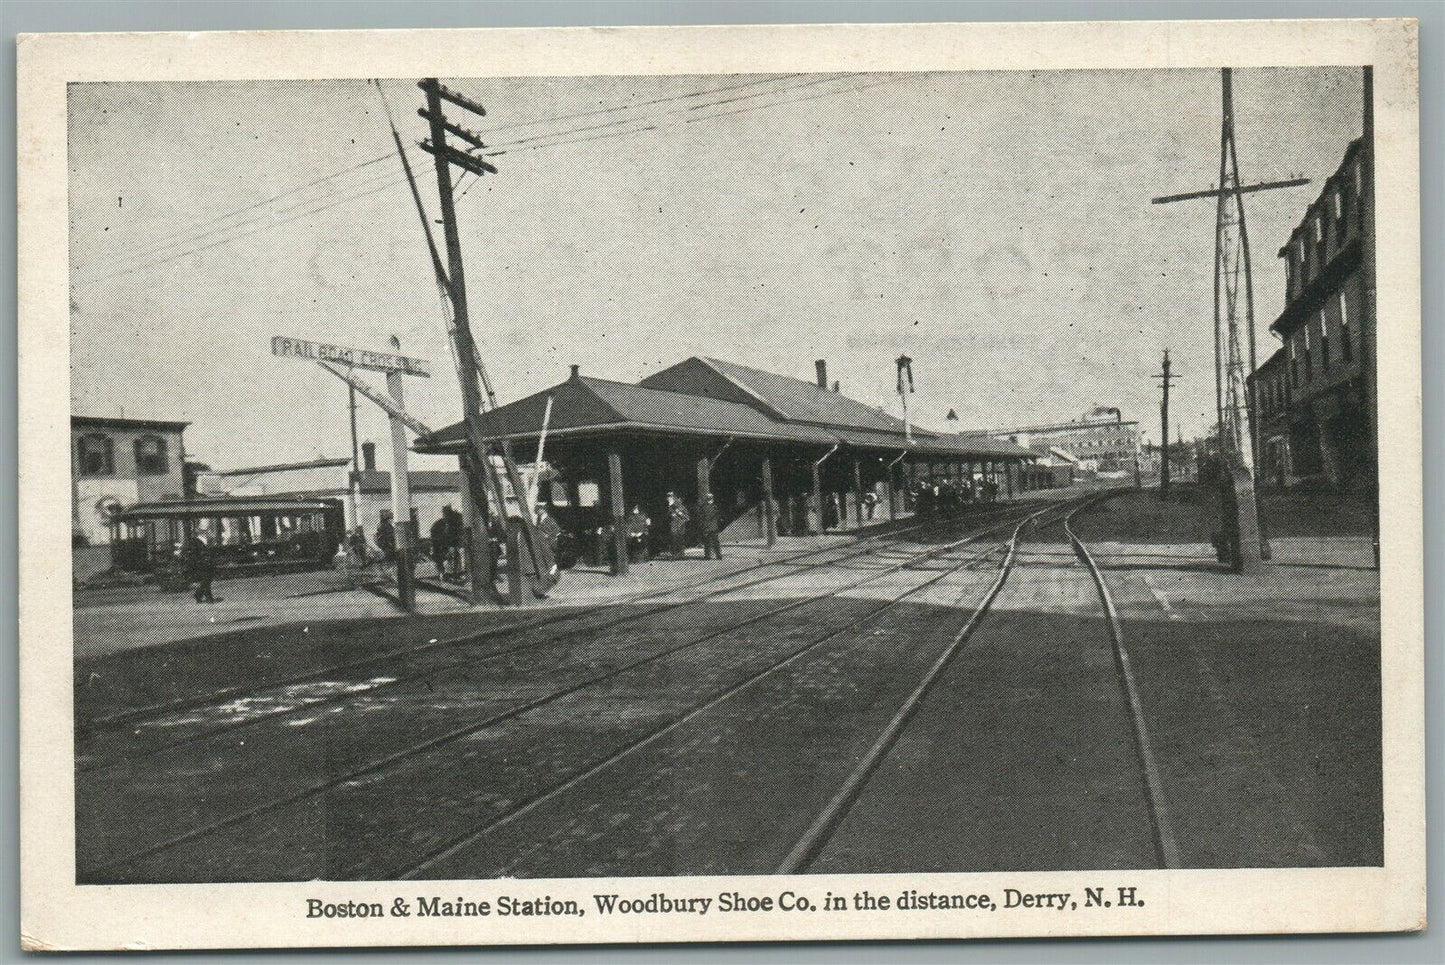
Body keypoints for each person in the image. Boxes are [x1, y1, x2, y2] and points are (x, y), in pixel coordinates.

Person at [183, 532, 215, 604]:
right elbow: (194, 553)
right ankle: (207, 597)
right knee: (206, 579)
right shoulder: (195, 541)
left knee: (206, 580)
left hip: (204, 563)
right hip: (200, 563)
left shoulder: (201, 541)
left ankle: (200, 595)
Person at [696, 492, 722, 560]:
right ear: (712, 498)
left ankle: (708, 556)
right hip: (713, 527)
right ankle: (718, 555)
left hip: (707, 527)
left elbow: (700, 517)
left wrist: (702, 525)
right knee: (715, 541)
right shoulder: (714, 506)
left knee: (707, 542)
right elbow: (718, 516)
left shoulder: (703, 507)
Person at [429, 508, 453, 578]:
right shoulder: (438, 524)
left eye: (448, 514)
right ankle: (442, 573)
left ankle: (451, 572)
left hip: (447, 543)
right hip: (438, 543)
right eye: (446, 514)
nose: (447, 516)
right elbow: (433, 535)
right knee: (438, 557)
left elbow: (453, 535)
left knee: (452, 555)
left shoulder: (452, 523)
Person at [666, 491, 690, 559]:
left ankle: (681, 555)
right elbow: (667, 516)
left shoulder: (681, 507)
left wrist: (681, 515)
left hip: (680, 525)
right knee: (674, 540)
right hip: (673, 525)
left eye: (670, 497)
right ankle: (674, 555)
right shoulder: (669, 507)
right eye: (668, 497)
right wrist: (671, 515)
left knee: (680, 540)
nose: (668, 498)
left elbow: (687, 517)